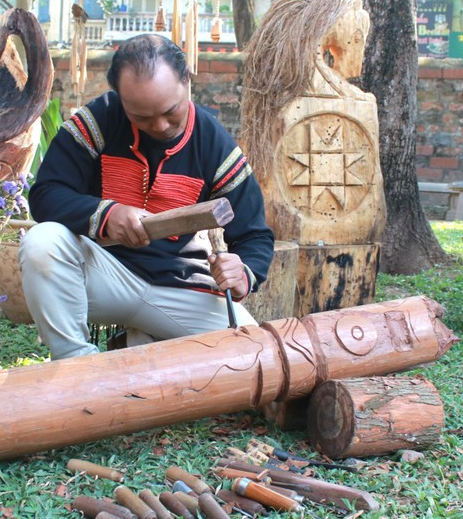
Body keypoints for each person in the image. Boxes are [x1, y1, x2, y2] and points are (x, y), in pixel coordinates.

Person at [19, 34, 274, 359]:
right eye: (141, 117)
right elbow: (45, 195)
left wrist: (244, 271)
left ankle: (143, 342)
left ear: (186, 80)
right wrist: (107, 214)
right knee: (43, 242)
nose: (160, 125)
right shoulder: (97, 120)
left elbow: (256, 236)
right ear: (120, 96)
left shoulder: (214, 144)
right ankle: (76, 368)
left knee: (253, 355)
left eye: (171, 112)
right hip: (103, 276)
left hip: (180, 286)